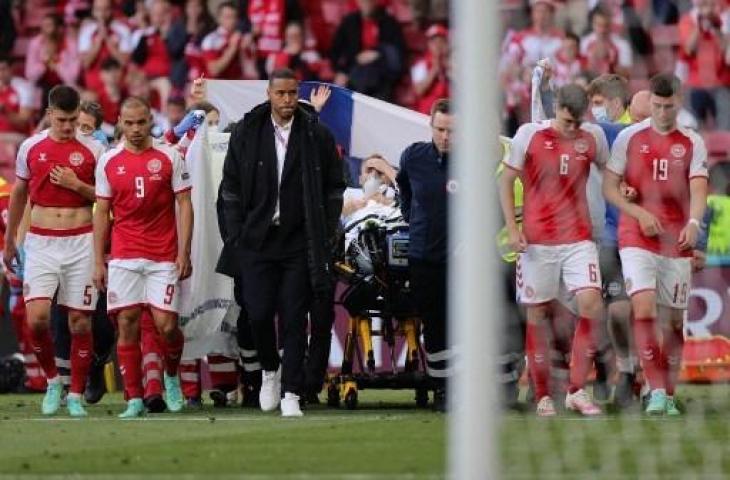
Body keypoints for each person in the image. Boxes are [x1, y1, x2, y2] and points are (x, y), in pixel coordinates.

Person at [218, 68, 345, 417]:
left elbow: (336, 185)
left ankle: (291, 391)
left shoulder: (316, 133)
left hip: (299, 241)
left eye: (292, 93)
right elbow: (229, 187)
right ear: (269, 95)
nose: (287, 100)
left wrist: (326, 228)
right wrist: (236, 234)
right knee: (257, 314)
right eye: (281, 94)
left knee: (293, 317)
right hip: (257, 240)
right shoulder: (247, 131)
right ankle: (270, 370)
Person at [499, 85, 609, 417]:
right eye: (566, 120)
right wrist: (514, 229)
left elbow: (612, 172)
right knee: (538, 314)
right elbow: (505, 181)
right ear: (556, 107)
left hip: (578, 237)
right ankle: (543, 396)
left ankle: (576, 390)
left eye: (577, 122)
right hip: (538, 241)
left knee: (592, 303)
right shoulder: (528, 135)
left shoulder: (592, 138)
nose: (571, 127)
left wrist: (625, 186)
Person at [603, 73, 708, 416]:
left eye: (669, 106)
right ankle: (657, 391)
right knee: (644, 308)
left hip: (675, 238)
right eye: (657, 106)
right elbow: (610, 188)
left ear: (679, 101)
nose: (662, 112)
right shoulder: (630, 137)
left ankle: (670, 391)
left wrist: (693, 224)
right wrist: (635, 210)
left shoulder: (692, 141)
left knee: (674, 322)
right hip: (636, 235)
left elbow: (698, 189)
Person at [3, 85, 105, 417]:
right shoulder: (31, 147)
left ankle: (74, 394)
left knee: (79, 324)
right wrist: (9, 241)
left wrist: (78, 185)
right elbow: (19, 194)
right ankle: (52, 380)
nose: (67, 127)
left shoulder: (94, 149)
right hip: (41, 241)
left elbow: (107, 201)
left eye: (73, 120)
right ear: (49, 114)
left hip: (80, 241)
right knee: (37, 321)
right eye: (61, 120)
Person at [93, 96, 193, 418]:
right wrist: (98, 260)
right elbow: (102, 212)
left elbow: (185, 205)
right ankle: (134, 398)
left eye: (141, 122)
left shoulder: (169, 155)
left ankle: (172, 376)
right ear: (119, 122)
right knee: (127, 323)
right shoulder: (108, 160)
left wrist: (184, 252)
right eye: (129, 123)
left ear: (151, 120)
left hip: (162, 255)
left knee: (166, 326)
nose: (135, 129)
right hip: (124, 254)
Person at [395, 99, 452, 412]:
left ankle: (461, 387)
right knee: (433, 323)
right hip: (422, 256)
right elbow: (403, 186)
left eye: (452, 131)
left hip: (462, 259)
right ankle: (442, 388)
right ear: (431, 126)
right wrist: (410, 216)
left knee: (458, 324)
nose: (445, 137)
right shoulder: (413, 156)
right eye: (440, 129)